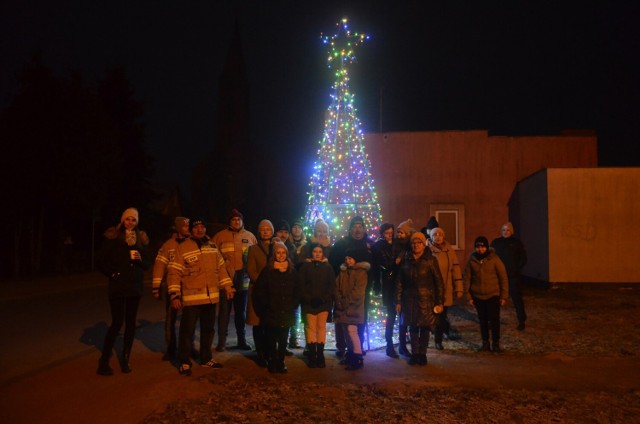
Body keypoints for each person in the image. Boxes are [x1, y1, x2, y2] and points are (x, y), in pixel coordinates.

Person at [167, 218, 234, 376]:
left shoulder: (212, 246)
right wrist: (175, 295)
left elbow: (221, 268)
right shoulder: (182, 248)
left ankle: (206, 358)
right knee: (187, 331)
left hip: (211, 298)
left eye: (202, 226)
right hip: (192, 298)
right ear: (190, 230)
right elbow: (174, 273)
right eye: (196, 227)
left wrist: (228, 287)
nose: (200, 229)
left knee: (208, 330)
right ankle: (184, 361)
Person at [96, 207, 151, 376]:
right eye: (128, 219)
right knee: (117, 323)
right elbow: (101, 262)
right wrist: (113, 273)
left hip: (134, 287)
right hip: (118, 287)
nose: (130, 222)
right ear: (122, 220)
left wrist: (141, 259)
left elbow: (147, 264)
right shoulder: (113, 237)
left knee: (131, 324)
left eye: (133, 220)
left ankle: (125, 359)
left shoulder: (141, 239)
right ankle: (104, 361)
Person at [396, 232, 444, 366]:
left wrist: (439, 302)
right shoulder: (406, 260)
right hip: (409, 300)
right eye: (414, 243)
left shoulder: (430, 260)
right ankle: (415, 353)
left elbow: (438, 282)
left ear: (424, 245)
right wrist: (398, 301)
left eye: (419, 243)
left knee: (424, 327)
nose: (416, 246)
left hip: (425, 300)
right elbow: (400, 282)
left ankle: (422, 354)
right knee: (412, 327)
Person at [252, 239, 300, 374]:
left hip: (287, 311)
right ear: (274, 255)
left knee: (283, 339)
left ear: (286, 254)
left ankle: (281, 361)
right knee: (271, 339)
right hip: (272, 311)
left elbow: (297, 289)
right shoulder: (268, 270)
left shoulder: (292, 270)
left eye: (283, 252)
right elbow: (260, 290)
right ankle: (272, 361)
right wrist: (265, 306)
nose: (280, 255)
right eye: (277, 253)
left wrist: (294, 304)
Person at [328, 216, 374, 357]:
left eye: (360, 226)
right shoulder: (341, 244)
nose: (357, 229)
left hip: (362, 289)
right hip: (343, 288)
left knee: (359, 318)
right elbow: (333, 264)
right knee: (341, 318)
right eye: (354, 226)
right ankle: (341, 346)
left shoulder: (370, 245)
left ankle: (357, 347)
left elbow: (375, 266)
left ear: (364, 229)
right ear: (350, 229)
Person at [212, 209, 257, 351]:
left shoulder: (250, 237)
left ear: (242, 221)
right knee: (224, 313)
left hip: (243, 280)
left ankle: (241, 340)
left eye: (238, 219)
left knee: (241, 313)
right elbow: (213, 257)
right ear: (229, 221)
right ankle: (222, 342)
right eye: (233, 220)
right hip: (226, 281)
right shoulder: (219, 237)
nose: (236, 222)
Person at [151, 217, 190, 361]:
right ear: (178, 228)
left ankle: (188, 347)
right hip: (172, 288)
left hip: (189, 288)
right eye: (185, 226)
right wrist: (156, 286)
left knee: (189, 320)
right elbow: (160, 265)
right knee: (170, 320)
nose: (188, 228)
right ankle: (171, 349)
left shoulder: (192, 243)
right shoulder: (168, 245)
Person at [463, 236, 509, 353]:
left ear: (487, 247)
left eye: (482, 246)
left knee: (494, 320)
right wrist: (468, 296)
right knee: (482, 320)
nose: (480, 249)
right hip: (478, 296)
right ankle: (485, 343)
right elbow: (467, 278)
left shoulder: (494, 259)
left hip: (493, 295)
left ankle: (496, 343)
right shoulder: (472, 260)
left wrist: (503, 296)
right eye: (478, 247)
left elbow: (503, 278)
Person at [298, 243, 335, 368]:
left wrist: (323, 299)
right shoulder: (305, 267)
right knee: (311, 328)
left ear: (323, 253)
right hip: (309, 304)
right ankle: (312, 355)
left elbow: (331, 286)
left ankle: (320, 355)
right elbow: (301, 286)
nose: (317, 254)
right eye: (315, 251)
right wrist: (309, 299)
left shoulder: (328, 267)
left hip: (323, 304)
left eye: (320, 251)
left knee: (321, 328)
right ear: (311, 253)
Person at [428, 227, 464, 350]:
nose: (438, 237)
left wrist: (459, 287)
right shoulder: (427, 250)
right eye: (435, 235)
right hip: (431, 289)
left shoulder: (449, 250)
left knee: (442, 317)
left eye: (440, 234)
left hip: (446, 289)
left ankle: (438, 340)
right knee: (431, 315)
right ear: (431, 237)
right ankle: (425, 339)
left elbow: (456, 269)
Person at [334, 247, 370, 370]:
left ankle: (357, 356)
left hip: (354, 307)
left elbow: (358, 292)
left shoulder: (361, 272)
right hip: (343, 307)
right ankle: (350, 354)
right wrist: (339, 300)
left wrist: (346, 302)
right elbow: (337, 287)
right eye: (346, 259)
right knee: (346, 333)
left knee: (352, 332)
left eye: (350, 258)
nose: (348, 261)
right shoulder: (343, 272)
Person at [246, 219, 275, 367]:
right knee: (258, 324)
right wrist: (264, 284)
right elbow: (251, 270)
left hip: (273, 292)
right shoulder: (253, 249)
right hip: (258, 291)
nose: (265, 231)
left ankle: (270, 351)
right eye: (262, 229)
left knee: (270, 324)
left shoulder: (276, 247)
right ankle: (261, 353)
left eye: (268, 229)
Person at [491, 222, 528, 331]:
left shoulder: (517, 243)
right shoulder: (496, 243)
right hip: (498, 276)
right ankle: (493, 321)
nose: (505, 232)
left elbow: (523, 258)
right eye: (503, 230)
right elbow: (490, 256)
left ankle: (521, 321)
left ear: (511, 231)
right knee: (494, 300)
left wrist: (516, 269)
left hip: (513, 276)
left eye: (507, 230)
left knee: (517, 299)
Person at [371, 222, 400, 358]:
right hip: (388, 282)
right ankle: (389, 344)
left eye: (391, 233)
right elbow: (382, 264)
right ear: (382, 233)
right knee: (391, 313)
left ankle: (401, 344)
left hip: (399, 281)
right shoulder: (378, 246)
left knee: (399, 314)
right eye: (386, 233)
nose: (389, 235)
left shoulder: (397, 244)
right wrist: (395, 263)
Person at [275, 219, 302, 350]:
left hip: (291, 286)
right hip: (277, 287)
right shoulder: (273, 246)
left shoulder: (292, 247)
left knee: (294, 314)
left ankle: (292, 339)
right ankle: (280, 344)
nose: (283, 235)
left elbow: (296, 266)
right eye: (281, 232)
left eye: (286, 232)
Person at [393, 218, 415, 357]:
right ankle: (402, 345)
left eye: (402, 233)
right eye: (398, 232)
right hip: (399, 286)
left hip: (410, 287)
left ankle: (412, 346)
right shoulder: (396, 246)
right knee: (402, 320)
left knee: (411, 320)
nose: (399, 235)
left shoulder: (410, 248)